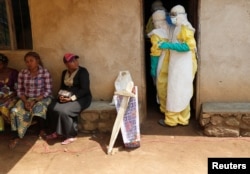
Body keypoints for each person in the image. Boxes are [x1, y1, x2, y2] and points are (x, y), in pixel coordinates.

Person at [157, 5, 198, 127]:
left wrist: (169, 46)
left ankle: (171, 120)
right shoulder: (177, 27)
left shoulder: (186, 28)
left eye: (174, 16)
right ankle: (183, 118)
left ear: (181, 16)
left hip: (184, 65)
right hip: (178, 65)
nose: (171, 18)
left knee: (177, 91)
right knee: (181, 90)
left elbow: (187, 47)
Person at [9, 51, 53, 149]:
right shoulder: (22, 73)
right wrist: (25, 101)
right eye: (27, 61)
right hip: (27, 98)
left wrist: (35, 101)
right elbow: (20, 90)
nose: (29, 63)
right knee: (14, 111)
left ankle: (42, 130)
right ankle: (16, 135)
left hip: (42, 97)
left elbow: (48, 90)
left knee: (38, 108)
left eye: (31, 61)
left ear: (37, 60)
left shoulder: (45, 72)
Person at [46, 53, 92, 145]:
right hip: (67, 96)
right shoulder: (64, 73)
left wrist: (71, 99)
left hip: (82, 98)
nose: (75, 62)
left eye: (75, 60)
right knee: (51, 107)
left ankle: (70, 135)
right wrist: (60, 96)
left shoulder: (83, 72)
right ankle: (57, 132)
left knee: (65, 111)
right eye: (72, 61)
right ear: (66, 64)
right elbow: (62, 87)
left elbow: (85, 90)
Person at [0, 53, 19, 125]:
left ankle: (10, 124)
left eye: (0, 64)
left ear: (5, 64)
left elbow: (17, 89)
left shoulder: (14, 73)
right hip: (1, 96)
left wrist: (7, 98)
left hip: (12, 96)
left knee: (5, 106)